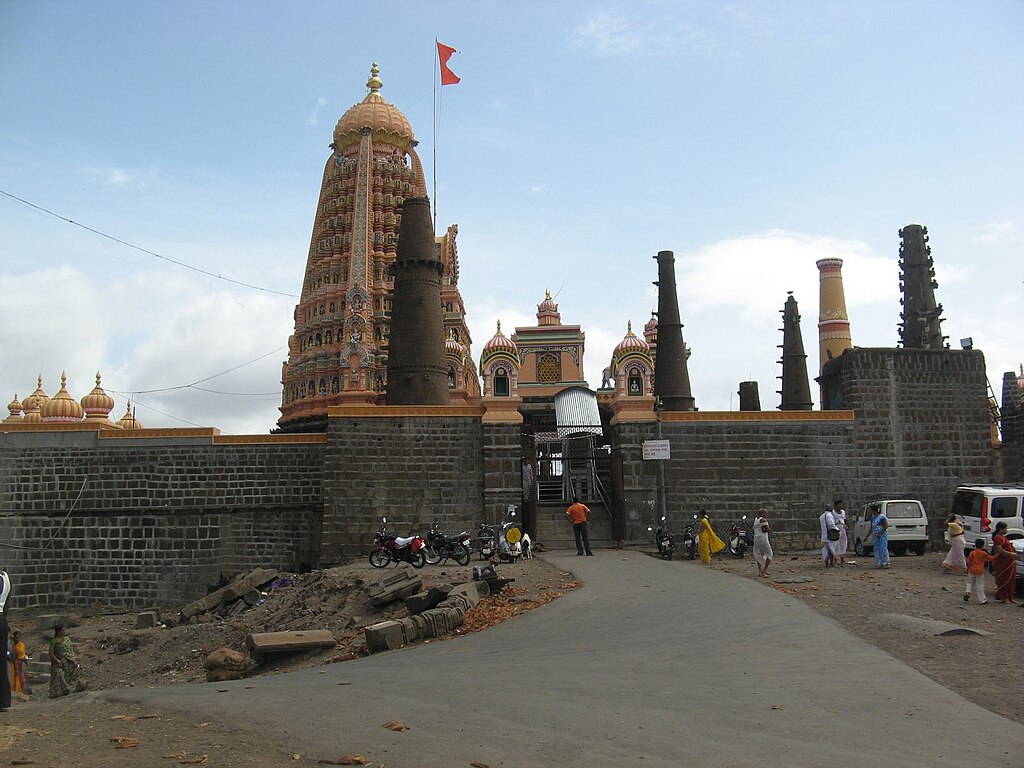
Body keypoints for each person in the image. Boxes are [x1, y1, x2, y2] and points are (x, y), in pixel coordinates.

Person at [48, 624, 85, 698]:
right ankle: (57, 692)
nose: (64, 631)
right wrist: (57, 660)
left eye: (65, 630)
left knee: (67, 675)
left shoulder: (67, 639)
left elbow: (70, 650)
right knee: (58, 675)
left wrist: (72, 659)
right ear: (58, 632)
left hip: (67, 661)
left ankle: (65, 691)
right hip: (58, 662)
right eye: (63, 630)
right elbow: (50, 653)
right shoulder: (54, 641)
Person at [991, 522, 1017, 604]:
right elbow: (999, 550)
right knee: (1004, 579)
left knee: (1011, 580)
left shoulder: (1003, 537)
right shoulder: (998, 538)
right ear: (1000, 529)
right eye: (1005, 528)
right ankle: (1003, 597)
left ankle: (1010, 597)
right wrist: (1010, 554)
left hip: (1009, 562)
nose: (1006, 530)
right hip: (1003, 563)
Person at [963, 538, 994, 604]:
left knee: (969, 582)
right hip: (980, 571)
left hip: (972, 570)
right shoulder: (983, 553)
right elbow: (990, 559)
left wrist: (967, 569)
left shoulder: (972, 553)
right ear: (982, 545)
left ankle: (967, 591)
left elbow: (969, 562)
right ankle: (982, 599)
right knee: (980, 585)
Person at [752, 508, 773, 577]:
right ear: (762, 513)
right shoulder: (763, 520)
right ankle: (765, 570)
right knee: (769, 554)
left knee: (759, 555)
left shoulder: (756, 520)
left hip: (756, 538)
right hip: (763, 538)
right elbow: (767, 529)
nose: (767, 515)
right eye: (766, 513)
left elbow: (756, 528)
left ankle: (760, 571)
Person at [0, 571, 10, 712]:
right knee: (1, 661)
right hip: (2, 619)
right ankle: (3, 701)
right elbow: (8, 603)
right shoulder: (5, 577)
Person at [9, 630, 28, 695]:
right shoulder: (12, 644)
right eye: (16, 637)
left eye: (19, 637)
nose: (17, 639)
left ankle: (23, 690)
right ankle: (15, 689)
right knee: (14, 675)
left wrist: (14, 645)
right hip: (14, 661)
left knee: (21, 676)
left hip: (21, 661)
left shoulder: (21, 644)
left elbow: (20, 652)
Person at [832, 499, 849, 566]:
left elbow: (844, 520)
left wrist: (845, 525)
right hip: (836, 530)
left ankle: (842, 559)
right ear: (836, 505)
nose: (841, 506)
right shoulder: (833, 512)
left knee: (843, 543)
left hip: (843, 530)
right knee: (836, 544)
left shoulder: (843, 512)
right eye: (839, 504)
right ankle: (835, 559)